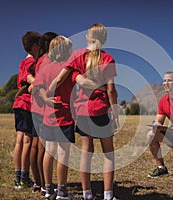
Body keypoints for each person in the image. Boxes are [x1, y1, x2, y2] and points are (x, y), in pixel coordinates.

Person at [50, 23, 119, 200]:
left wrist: (46, 94)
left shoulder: (77, 56)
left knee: (86, 152)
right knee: (108, 154)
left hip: (82, 110)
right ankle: (108, 195)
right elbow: (111, 90)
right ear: (104, 39)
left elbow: (60, 79)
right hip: (100, 109)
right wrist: (116, 113)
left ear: (88, 37)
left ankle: (87, 194)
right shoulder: (108, 58)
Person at [33, 35, 82, 200]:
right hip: (64, 117)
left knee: (49, 152)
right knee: (63, 154)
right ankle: (61, 191)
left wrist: (46, 99)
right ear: (65, 50)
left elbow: (37, 86)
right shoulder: (69, 68)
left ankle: (48, 190)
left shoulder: (45, 68)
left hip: (48, 116)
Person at [30, 32, 58, 196]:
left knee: (37, 145)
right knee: (42, 146)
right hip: (42, 108)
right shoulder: (46, 61)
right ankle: (42, 184)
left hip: (36, 107)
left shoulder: (40, 60)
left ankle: (38, 182)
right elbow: (38, 86)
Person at [12, 31, 41, 189]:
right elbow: (30, 79)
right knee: (27, 141)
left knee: (19, 141)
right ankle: (24, 177)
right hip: (27, 104)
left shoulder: (22, 62)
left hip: (18, 104)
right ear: (35, 46)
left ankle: (18, 177)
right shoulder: (30, 63)